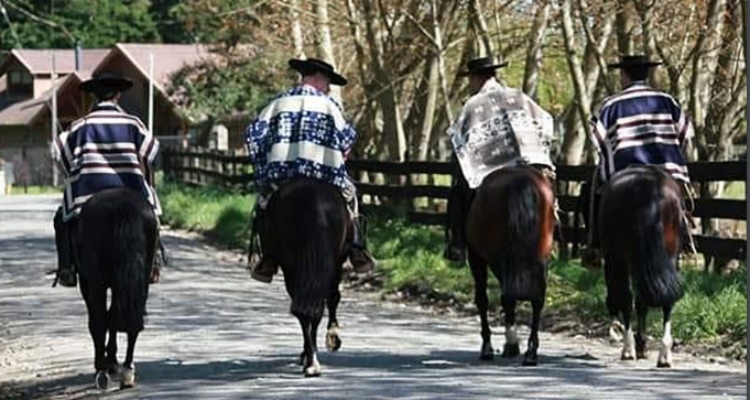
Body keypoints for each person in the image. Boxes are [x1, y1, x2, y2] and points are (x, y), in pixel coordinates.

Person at [246, 58, 375, 283]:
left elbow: (254, 136)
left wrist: (264, 167)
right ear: (318, 78)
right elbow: (347, 138)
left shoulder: (277, 103)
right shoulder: (329, 105)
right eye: (327, 82)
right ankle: (356, 249)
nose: (328, 88)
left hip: (283, 176)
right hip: (324, 174)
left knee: (263, 204)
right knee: (351, 198)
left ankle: (268, 258)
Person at [52, 72, 163, 287]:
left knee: (61, 220)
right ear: (118, 96)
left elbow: (60, 153)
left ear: (95, 96)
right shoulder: (134, 124)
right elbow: (151, 153)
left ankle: (67, 268)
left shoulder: (79, 126)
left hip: (87, 193)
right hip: (132, 190)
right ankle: (152, 265)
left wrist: (74, 176)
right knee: (154, 221)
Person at [444, 56, 556, 265]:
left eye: (471, 80)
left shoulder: (472, 103)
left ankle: (457, 244)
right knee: (548, 188)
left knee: (459, 193)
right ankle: (555, 228)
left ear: (476, 79)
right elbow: (545, 120)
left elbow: (459, 136)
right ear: (493, 75)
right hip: (529, 159)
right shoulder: (518, 96)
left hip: (490, 165)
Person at [586, 54, 696, 260]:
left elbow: (597, 140)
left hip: (623, 169)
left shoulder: (611, 104)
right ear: (647, 74)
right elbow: (686, 132)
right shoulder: (666, 100)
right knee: (678, 200)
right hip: (666, 166)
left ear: (625, 75)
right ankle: (686, 239)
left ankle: (595, 244)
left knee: (592, 191)